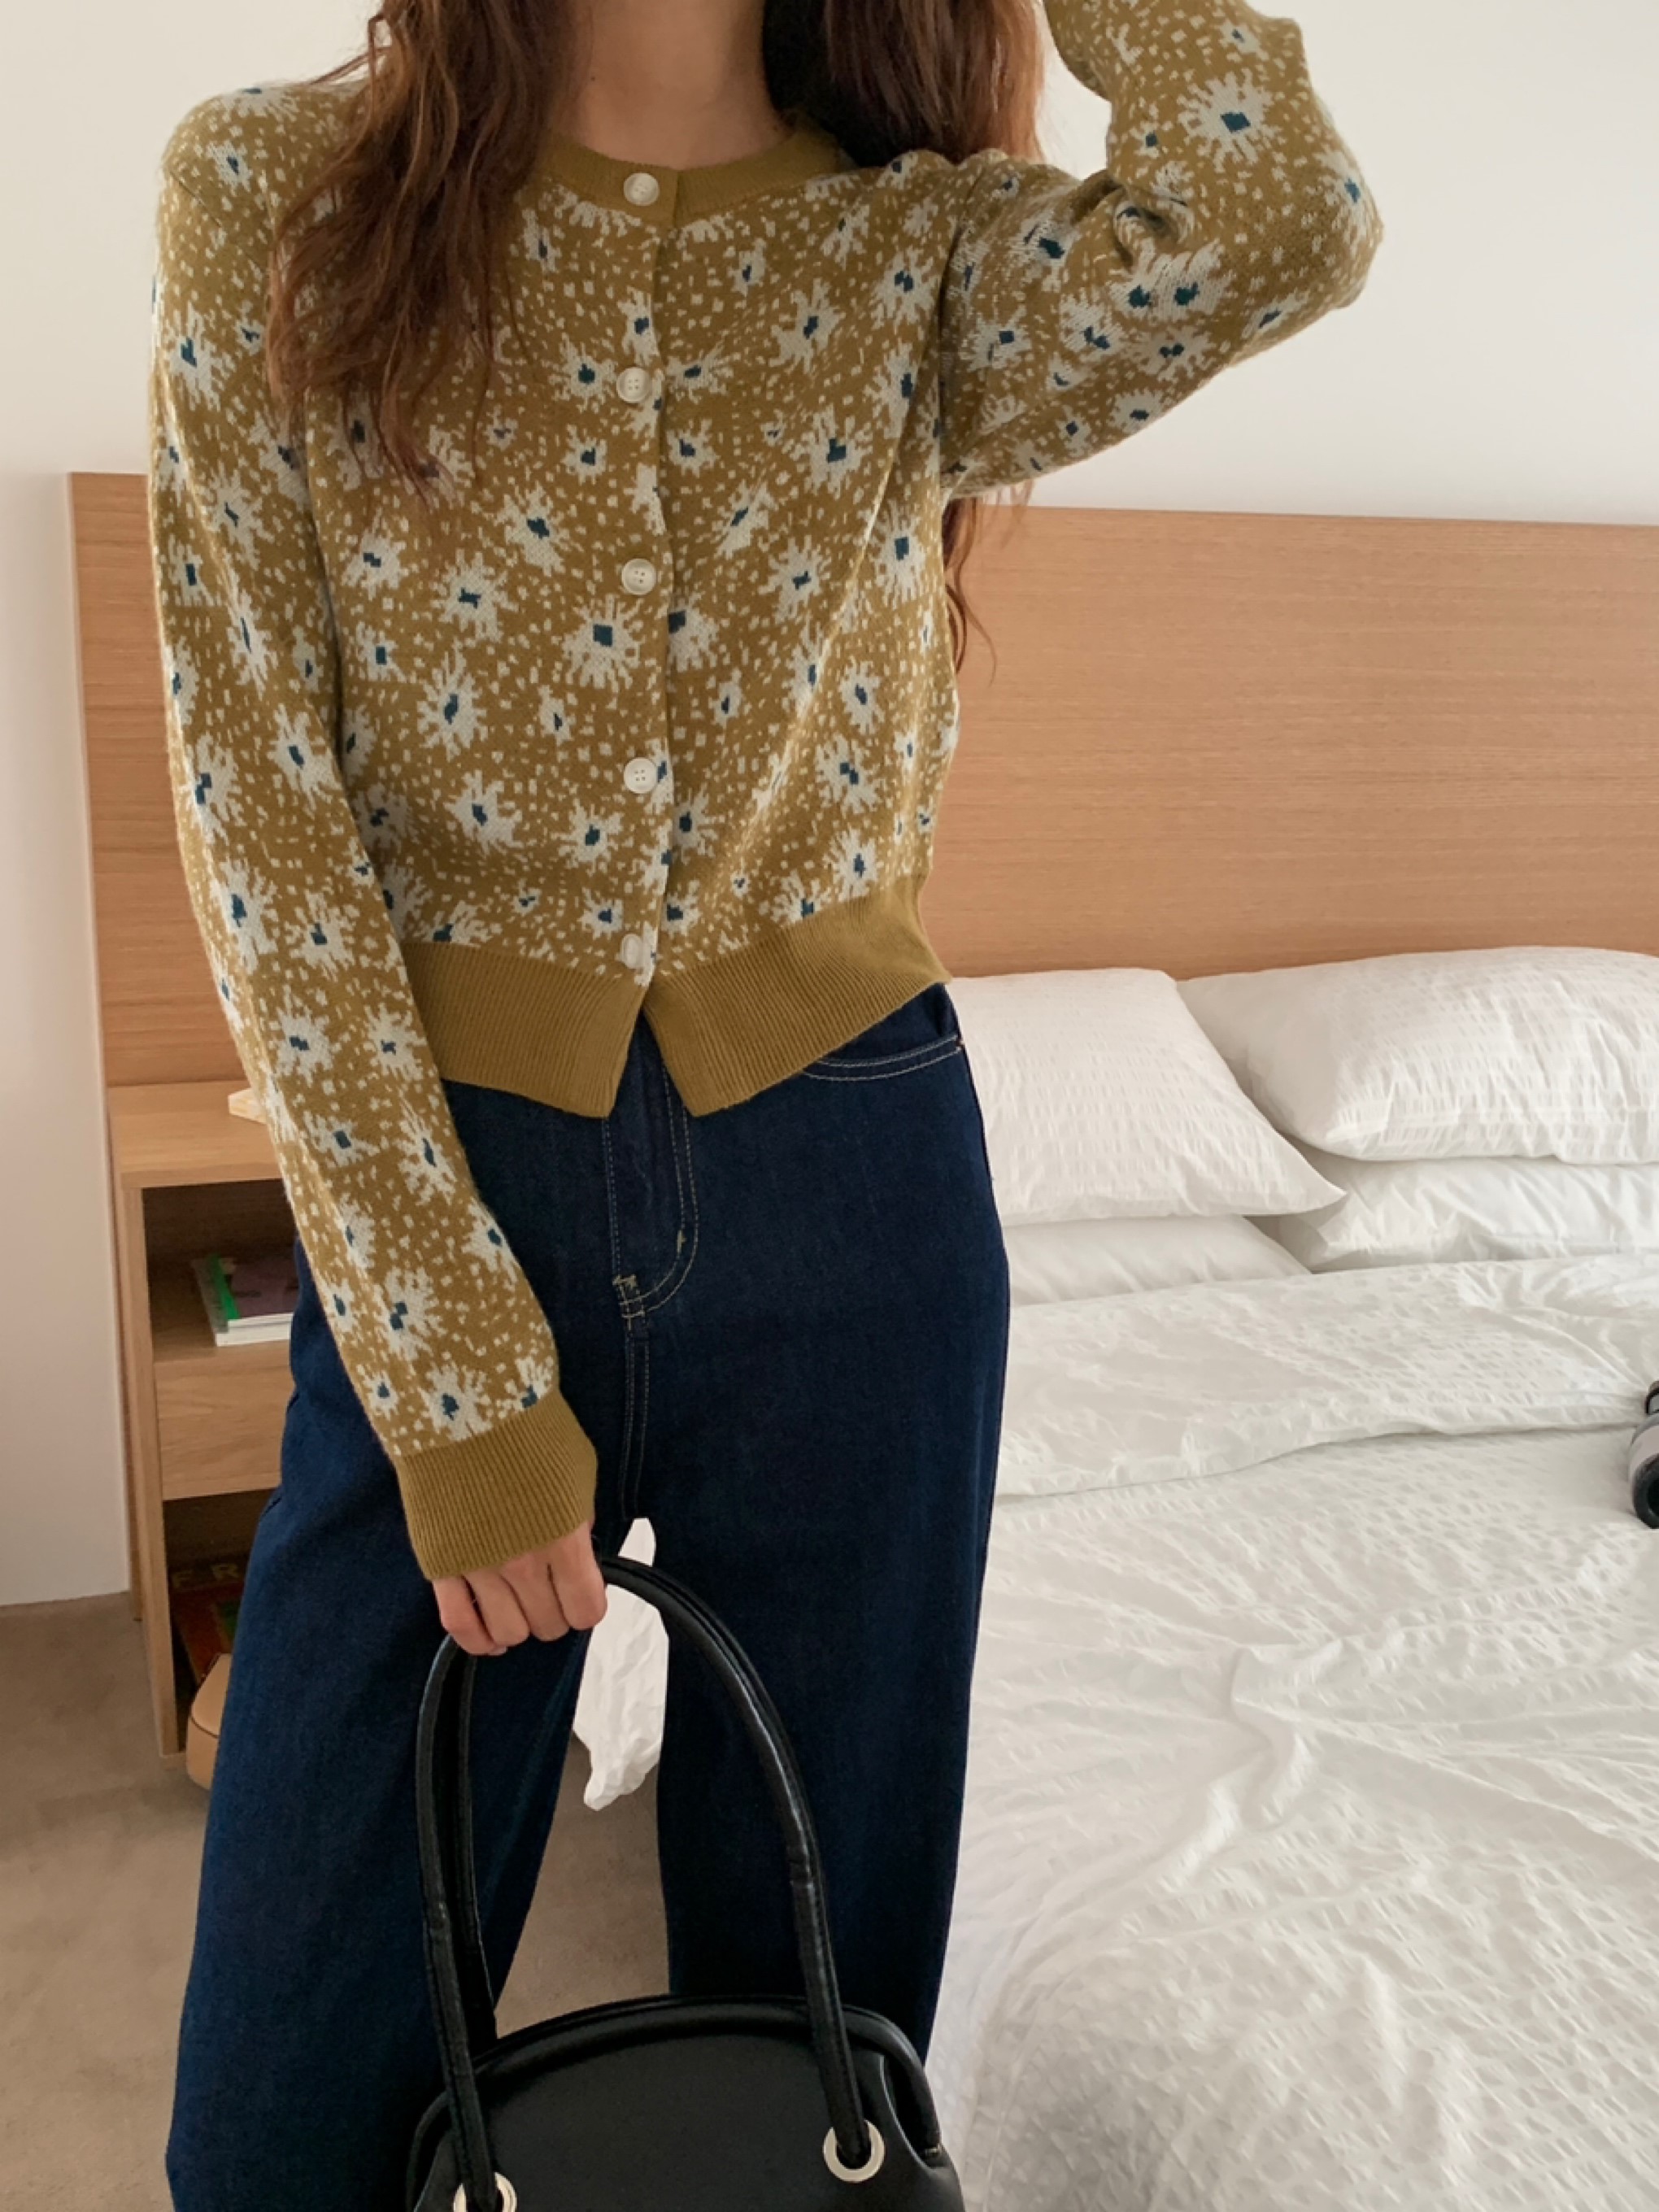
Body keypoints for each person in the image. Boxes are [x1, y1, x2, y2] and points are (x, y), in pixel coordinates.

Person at [146, 1, 1379, 2203]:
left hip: (857, 1191)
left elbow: (1280, 218)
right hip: (462, 1199)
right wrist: (451, 1374)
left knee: (816, 2068)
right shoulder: (278, 201)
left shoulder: (919, 252)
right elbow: (262, 809)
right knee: (278, 2118)